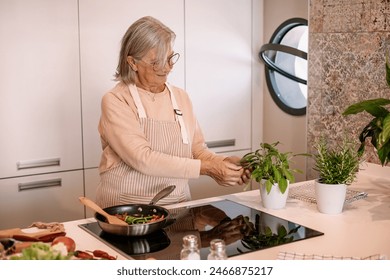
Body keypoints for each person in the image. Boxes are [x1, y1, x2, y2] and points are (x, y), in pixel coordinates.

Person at [96, 16, 250, 208]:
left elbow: (197, 151)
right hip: (126, 210)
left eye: (170, 58)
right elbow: (142, 158)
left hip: (177, 207)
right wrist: (209, 169)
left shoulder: (180, 97)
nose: (167, 68)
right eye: (156, 62)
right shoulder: (116, 100)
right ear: (132, 62)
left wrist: (224, 163)